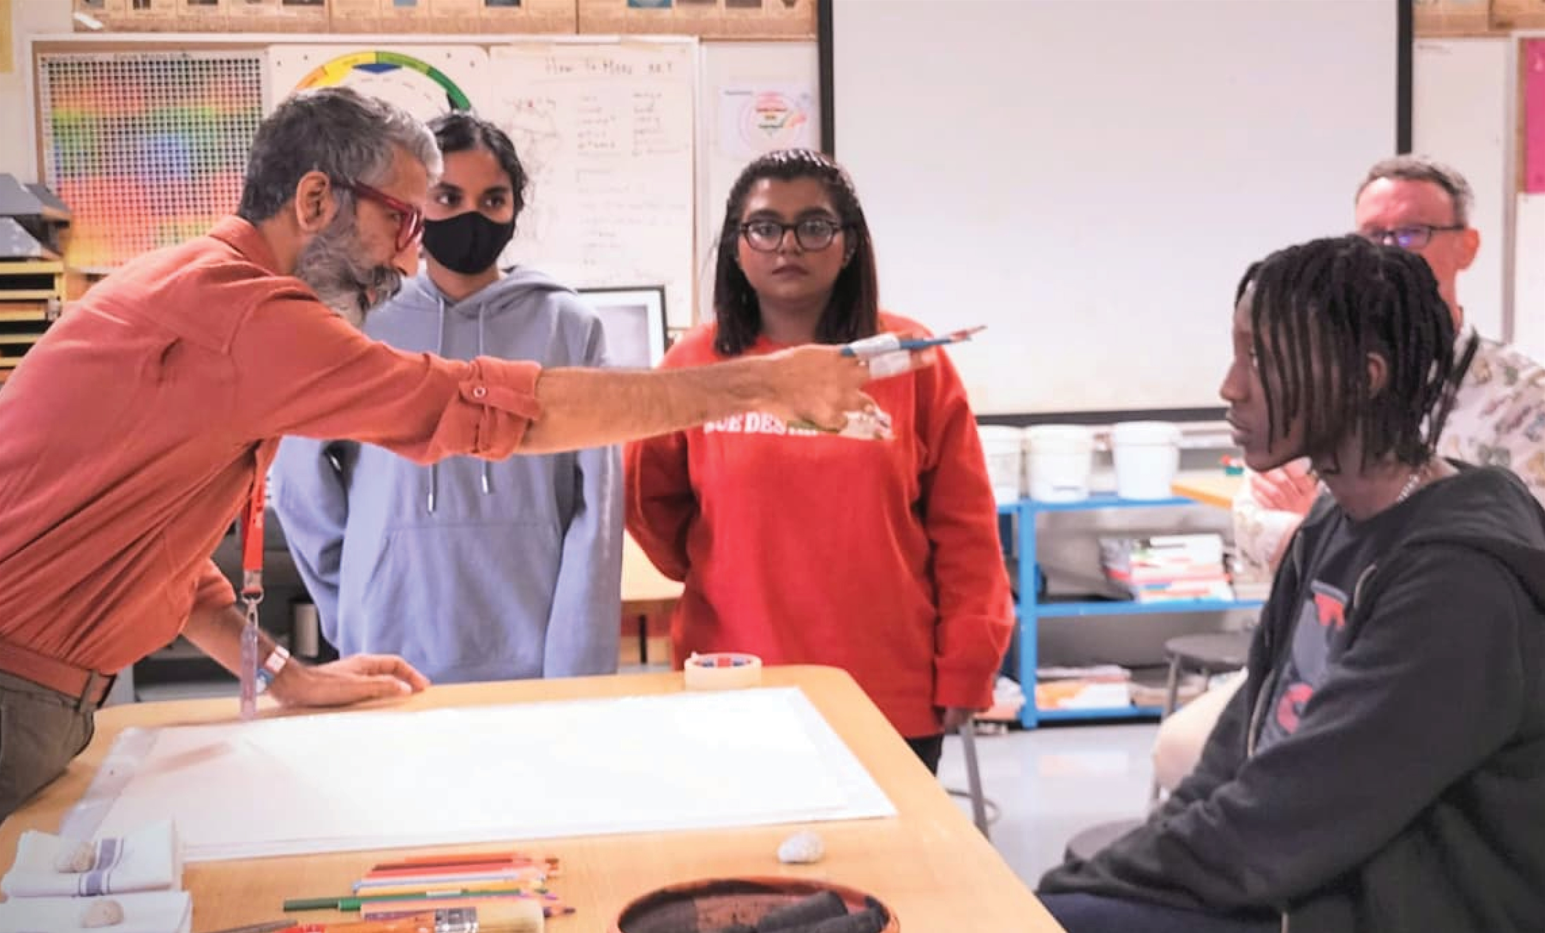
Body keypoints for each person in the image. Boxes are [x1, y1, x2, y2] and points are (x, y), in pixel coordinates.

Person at [0, 91, 928, 821]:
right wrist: (762, 383)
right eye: (404, 221)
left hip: (44, 690)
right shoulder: (249, 315)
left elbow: (164, 555)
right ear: (316, 199)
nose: (411, 259)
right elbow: (492, 414)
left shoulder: (199, 291)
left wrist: (286, 674)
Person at [1037, 235, 1545, 932]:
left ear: (1362, 377)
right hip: (1297, 880)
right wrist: (1105, 874)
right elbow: (1239, 748)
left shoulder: (1459, 585)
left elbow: (1292, 814)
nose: (1230, 385)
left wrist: (1087, 886)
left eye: (1260, 359)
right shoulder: (1332, 521)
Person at [1151, 155, 1545, 792]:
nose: (1388, 250)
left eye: (1411, 233)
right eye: (1371, 234)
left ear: (1467, 246)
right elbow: (1253, 519)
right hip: (1320, 644)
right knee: (1192, 753)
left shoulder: (1522, 399)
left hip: (1440, 665)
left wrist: (1337, 528)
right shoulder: (1311, 376)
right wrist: (1325, 526)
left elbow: (1521, 548)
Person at [624, 149, 1013, 774]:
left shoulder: (910, 360)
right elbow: (648, 500)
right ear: (736, 246)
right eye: (764, 227)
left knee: (886, 843)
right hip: (732, 683)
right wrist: (725, 562)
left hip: (887, 689)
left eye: (813, 226)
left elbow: (965, 531)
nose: (788, 246)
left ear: (849, 243)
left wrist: (968, 664)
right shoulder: (694, 367)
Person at [272, 113, 622, 684]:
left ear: (516, 208)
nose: (471, 216)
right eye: (447, 197)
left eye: (493, 200)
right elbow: (299, 484)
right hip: (389, 643)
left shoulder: (569, 326)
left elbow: (596, 510)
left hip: (534, 652)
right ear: (412, 206)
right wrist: (353, 603)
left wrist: (578, 658)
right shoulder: (355, 323)